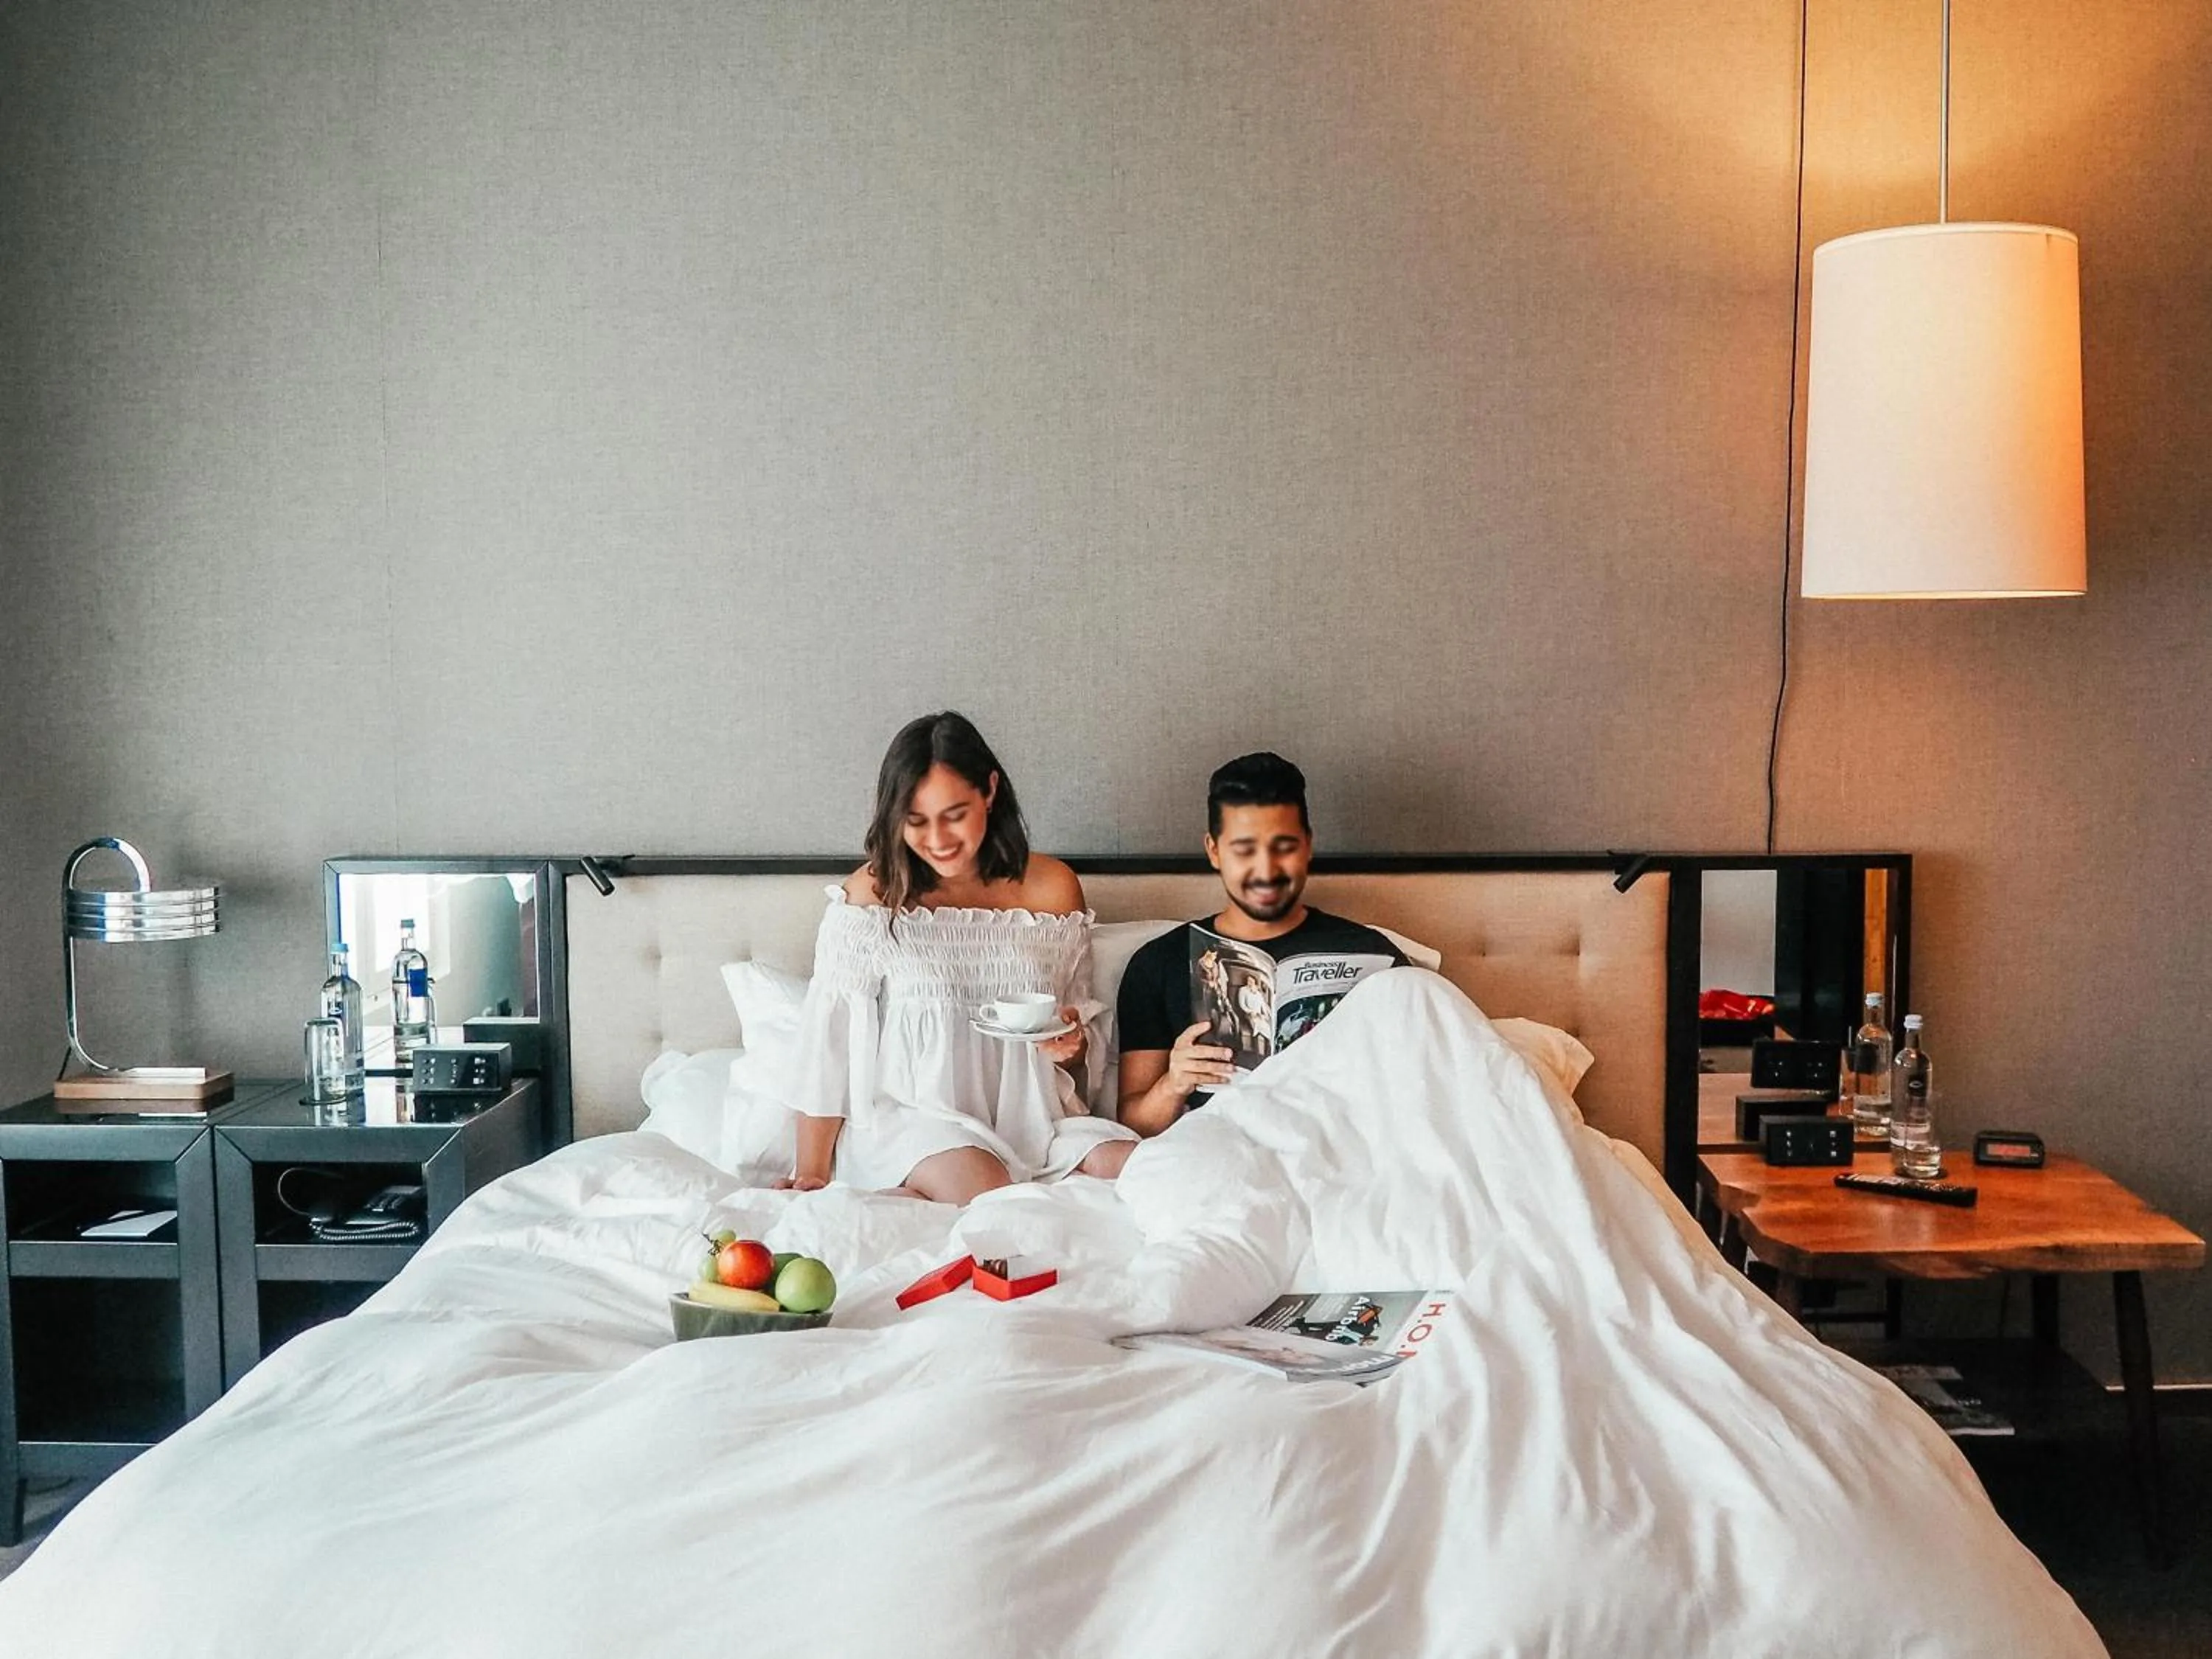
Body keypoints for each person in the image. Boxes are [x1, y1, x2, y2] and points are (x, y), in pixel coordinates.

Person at [779, 712, 1138, 1203]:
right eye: (916, 821)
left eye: (954, 815)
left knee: (1138, 1167)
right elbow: (830, 1045)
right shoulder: (872, 896)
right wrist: (812, 1173)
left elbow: (1073, 1039)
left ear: (989, 791)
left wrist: (1071, 1045)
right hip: (918, 1122)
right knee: (987, 1190)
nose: (938, 839)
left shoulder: (1053, 888)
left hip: (1035, 1122)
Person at [1116, 752, 1407, 1135]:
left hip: (1343, 1144)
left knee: (1421, 991)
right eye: (1244, 850)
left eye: (1284, 847)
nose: (1267, 871)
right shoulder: (1158, 964)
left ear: (1308, 846)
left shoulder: (1372, 954)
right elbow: (1134, 1125)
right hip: (1218, 1147)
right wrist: (1174, 1083)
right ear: (1214, 850)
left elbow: (1419, 1088)